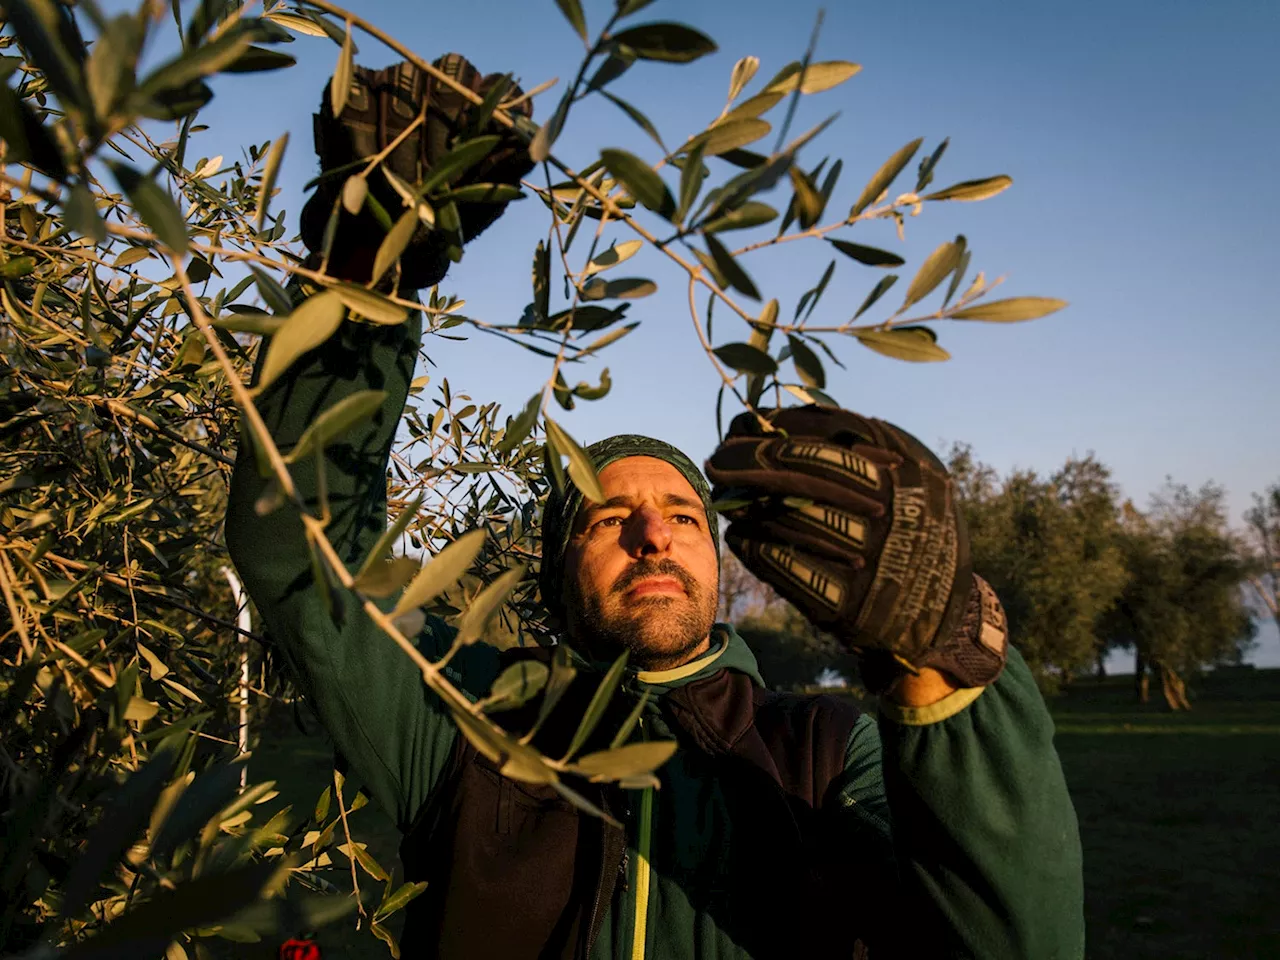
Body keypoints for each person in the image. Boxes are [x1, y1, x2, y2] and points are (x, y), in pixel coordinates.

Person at [226, 54, 1084, 960]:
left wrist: (941, 663)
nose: (650, 534)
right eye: (606, 518)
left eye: (682, 514)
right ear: (559, 576)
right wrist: (364, 277)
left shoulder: (824, 753)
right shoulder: (470, 728)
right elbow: (296, 540)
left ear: (722, 558)